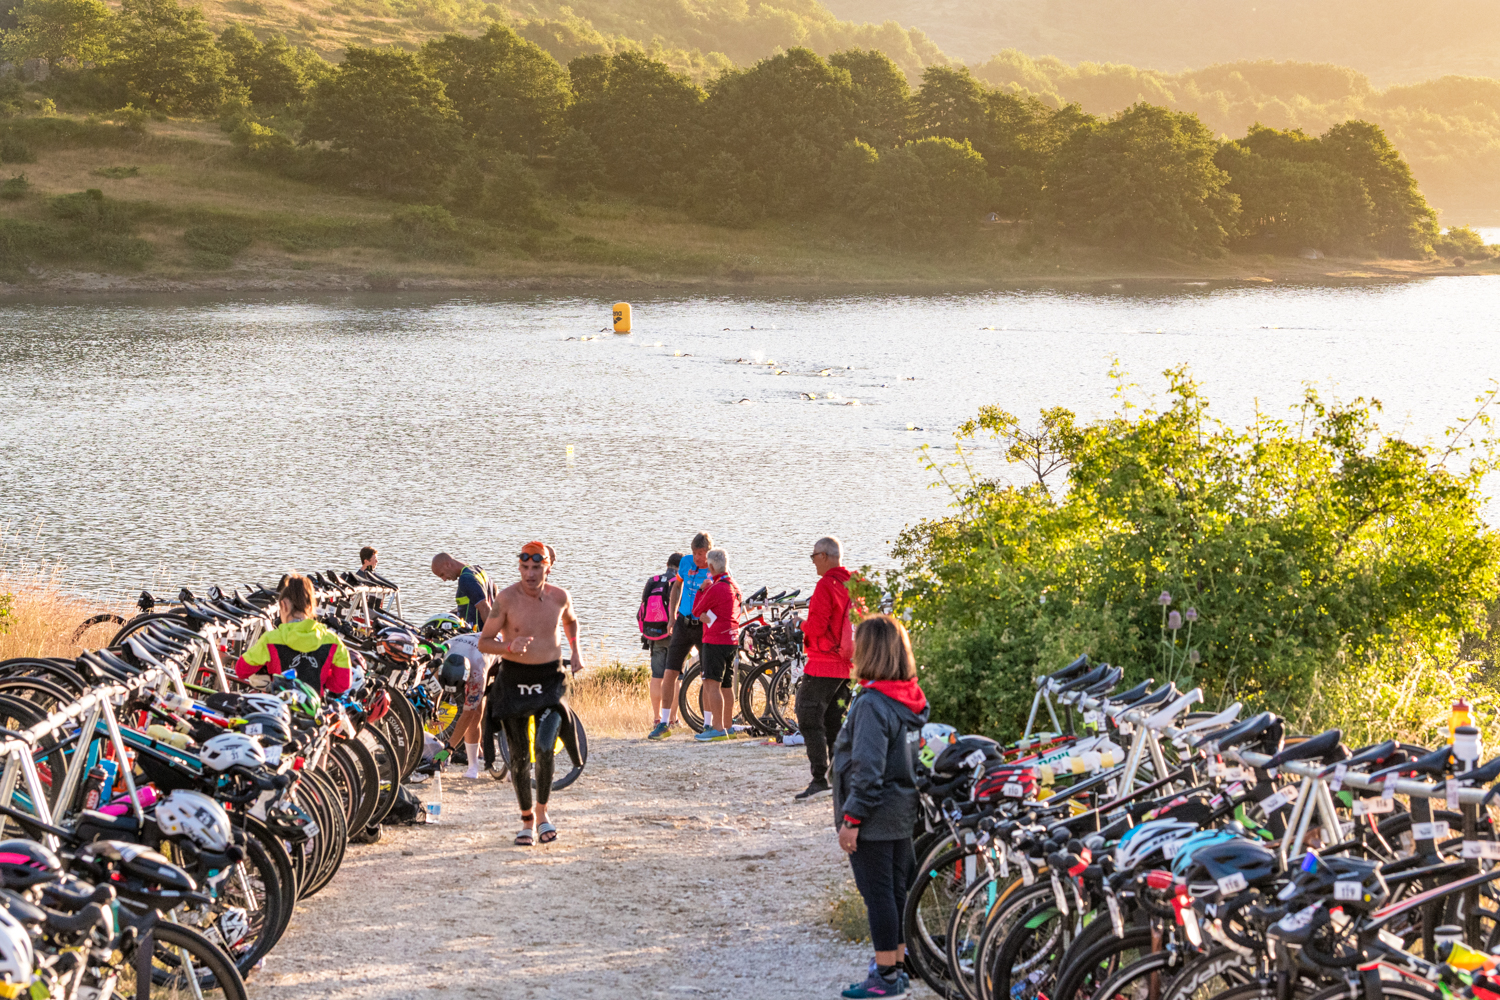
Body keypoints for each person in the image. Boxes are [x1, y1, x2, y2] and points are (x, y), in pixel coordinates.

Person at [832, 615, 929, 1000]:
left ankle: (885, 976)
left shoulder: (872, 704)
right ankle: (898, 966)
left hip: (873, 815)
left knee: (878, 897)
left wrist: (851, 819)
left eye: (859, 643)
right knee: (895, 893)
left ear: (872, 650)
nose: (853, 650)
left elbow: (867, 770)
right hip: (902, 810)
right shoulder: (909, 698)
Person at [478, 542, 586, 846]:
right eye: (524, 567)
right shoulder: (506, 599)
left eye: (536, 567)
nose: (529, 573)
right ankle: (526, 819)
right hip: (514, 681)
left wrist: (576, 651)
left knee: (543, 746)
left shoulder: (560, 597)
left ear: (547, 567)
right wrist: (507, 647)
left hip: (550, 680)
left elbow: (571, 621)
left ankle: (543, 814)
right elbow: (485, 641)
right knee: (521, 755)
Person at [795, 535, 861, 799]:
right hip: (849, 664)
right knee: (834, 720)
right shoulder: (855, 583)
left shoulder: (826, 585)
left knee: (808, 714)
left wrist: (801, 624)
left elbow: (818, 626)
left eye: (814, 557)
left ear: (825, 556)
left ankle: (819, 778)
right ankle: (839, 776)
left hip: (825, 663)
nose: (813, 562)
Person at [233, 574, 353, 696]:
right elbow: (342, 684)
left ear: (283, 605)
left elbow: (241, 670)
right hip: (313, 709)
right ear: (311, 607)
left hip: (280, 708)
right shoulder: (333, 641)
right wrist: (319, 678)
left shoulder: (270, 639)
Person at [652, 532, 713, 741]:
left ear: (709, 552)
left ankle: (708, 725)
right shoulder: (686, 563)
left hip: (703, 627)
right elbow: (677, 586)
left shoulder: (716, 567)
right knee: (669, 672)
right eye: (695, 553)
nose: (698, 557)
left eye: (701, 553)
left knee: (707, 676)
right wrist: (672, 616)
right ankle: (664, 722)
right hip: (682, 623)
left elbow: (726, 596)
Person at [690, 547, 741, 743]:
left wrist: (702, 589)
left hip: (715, 640)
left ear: (711, 566)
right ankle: (727, 726)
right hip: (732, 640)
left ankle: (717, 728)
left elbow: (696, 610)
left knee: (712, 684)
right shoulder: (734, 586)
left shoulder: (716, 587)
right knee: (727, 686)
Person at [441, 631, 499, 780]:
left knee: (475, 713)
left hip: (499, 656)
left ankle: (476, 766)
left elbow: (468, 714)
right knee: (474, 713)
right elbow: (434, 685)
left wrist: (447, 750)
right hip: (463, 647)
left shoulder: (477, 673)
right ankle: (474, 763)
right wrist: (434, 709)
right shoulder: (441, 656)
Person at [640, 553, 683, 736]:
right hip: (674, 633)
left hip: (654, 634)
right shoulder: (678, 582)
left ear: (667, 564)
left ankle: (656, 718)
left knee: (657, 676)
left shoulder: (653, 580)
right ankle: (673, 718)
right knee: (675, 677)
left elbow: (643, 606)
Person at [431, 552, 493, 629]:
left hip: (476, 635)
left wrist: (492, 634)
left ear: (447, 564)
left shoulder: (465, 579)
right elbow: (494, 590)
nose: (444, 579)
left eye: (442, 574)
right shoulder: (478, 569)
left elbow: (484, 606)